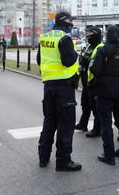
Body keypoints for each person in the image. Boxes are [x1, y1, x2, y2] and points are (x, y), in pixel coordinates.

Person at [36, 11, 81, 171]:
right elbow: (68, 61)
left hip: (48, 86)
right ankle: (63, 161)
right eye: (70, 19)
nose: (72, 22)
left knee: (49, 121)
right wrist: (77, 54)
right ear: (64, 21)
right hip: (64, 87)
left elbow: (39, 60)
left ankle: (43, 157)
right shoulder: (64, 38)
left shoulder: (45, 37)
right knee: (66, 124)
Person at [90, 25, 119, 165]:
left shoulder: (102, 50)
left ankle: (109, 155)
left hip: (104, 91)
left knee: (106, 123)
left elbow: (95, 70)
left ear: (107, 35)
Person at [75, 27, 103, 138]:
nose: (88, 35)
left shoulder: (100, 48)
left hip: (94, 83)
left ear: (96, 34)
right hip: (86, 81)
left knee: (95, 107)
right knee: (85, 104)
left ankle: (97, 129)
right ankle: (83, 124)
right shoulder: (89, 47)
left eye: (90, 33)